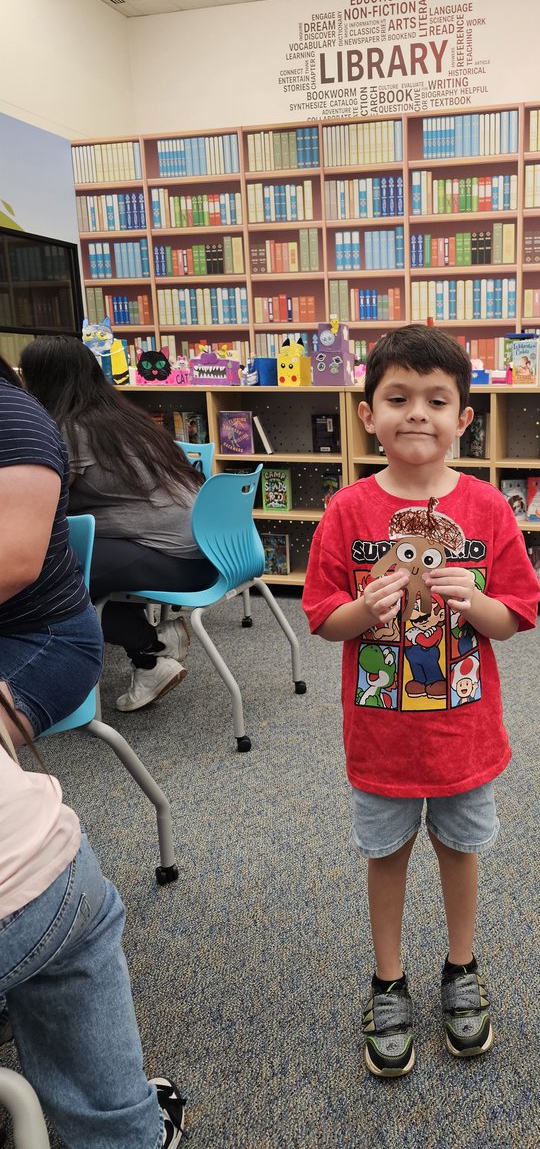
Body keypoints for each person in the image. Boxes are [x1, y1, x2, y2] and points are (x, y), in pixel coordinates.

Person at [302, 324, 540, 1077]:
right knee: (386, 853)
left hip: (464, 732)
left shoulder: (487, 509)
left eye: (437, 399)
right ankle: (388, 979)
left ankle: (461, 969)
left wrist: (473, 601)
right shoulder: (346, 513)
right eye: (397, 397)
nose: (417, 413)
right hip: (381, 737)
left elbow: (516, 618)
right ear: (366, 412)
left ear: (464, 417)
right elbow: (322, 620)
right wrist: (362, 611)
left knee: (462, 849)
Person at [0, 367, 186, 1147]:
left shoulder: (45, 430)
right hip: (194, 548)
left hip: (143, 568)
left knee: (96, 570)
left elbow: (19, 560)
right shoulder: (129, 418)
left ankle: (146, 651)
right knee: (90, 561)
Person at [20, 335, 218, 713]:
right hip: (206, 553)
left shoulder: (68, 430)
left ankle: (150, 653)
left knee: (52, 576)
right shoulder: (126, 417)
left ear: (42, 381)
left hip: (176, 563)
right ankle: (156, 645)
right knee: (76, 561)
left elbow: (46, 505)